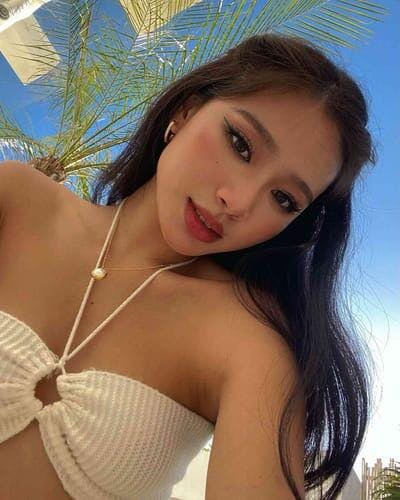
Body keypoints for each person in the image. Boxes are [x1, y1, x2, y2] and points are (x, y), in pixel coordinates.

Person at [0, 33, 375, 499]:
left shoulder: (246, 341)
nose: (237, 202)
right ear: (186, 111)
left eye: (283, 198)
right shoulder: (16, 203)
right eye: (240, 144)